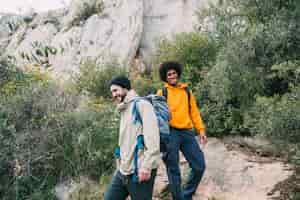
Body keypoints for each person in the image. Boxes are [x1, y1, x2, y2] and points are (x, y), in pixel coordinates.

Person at [157, 61, 207, 200]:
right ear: (165, 77)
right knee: (173, 170)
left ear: (177, 73)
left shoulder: (187, 91)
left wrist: (201, 130)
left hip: (186, 132)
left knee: (199, 165)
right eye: (169, 74)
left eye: (174, 73)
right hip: (170, 133)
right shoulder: (162, 92)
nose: (172, 76)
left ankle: (186, 195)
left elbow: (194, 112)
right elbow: (158, 117)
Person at [104, 76, 160, 200]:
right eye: (112, 92)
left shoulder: (142, 105)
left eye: (115, 90)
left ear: (125, 88)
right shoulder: (123, 109)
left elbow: (153, 138)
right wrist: (119, 165)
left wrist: (147, 166)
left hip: (139, 169)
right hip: (123, 171)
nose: (113, 95)